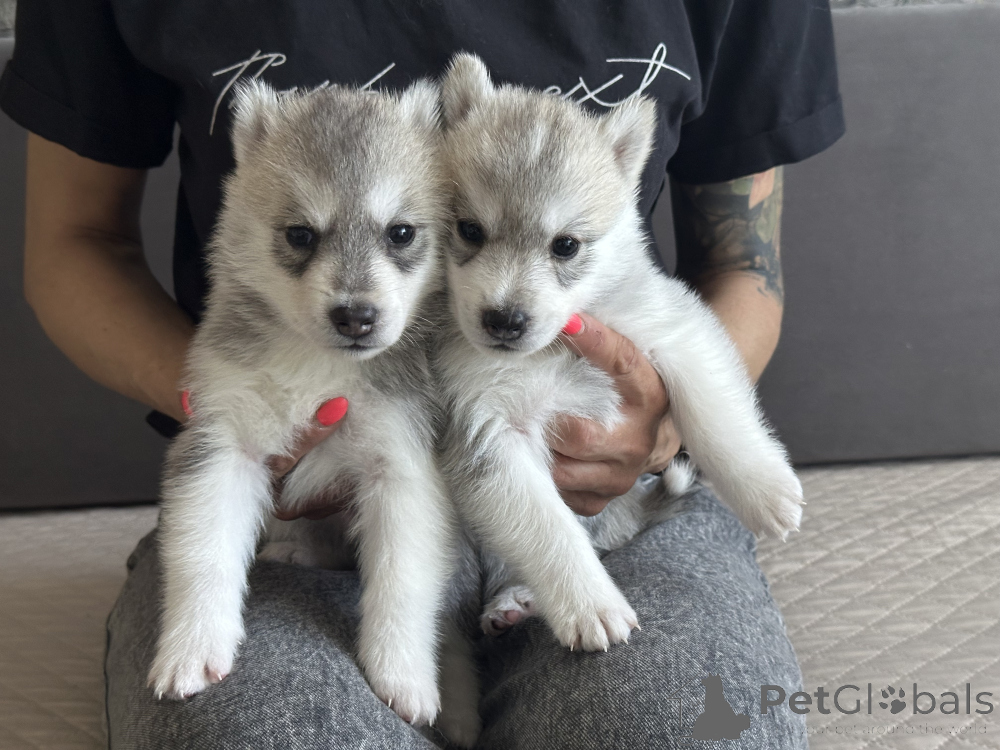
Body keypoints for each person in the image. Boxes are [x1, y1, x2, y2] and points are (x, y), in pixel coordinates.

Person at [1, 0, 844, 747]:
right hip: (307, 517)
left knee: (690, 729)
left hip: (601, 488)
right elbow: (77, 243)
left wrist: (661, 426)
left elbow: (742, 270)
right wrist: (241, 410)